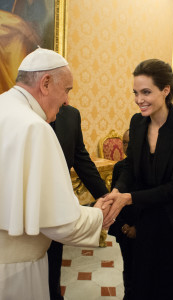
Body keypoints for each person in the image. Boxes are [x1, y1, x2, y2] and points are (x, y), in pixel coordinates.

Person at [0, 48, 113, 300]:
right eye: (67, 90)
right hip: (15, 271)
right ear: (46, 83)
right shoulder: (34, 127)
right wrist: (100, 216)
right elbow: (61, 223)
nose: (67, 101)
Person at [103, 59, 173, 300]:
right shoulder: (137, 123)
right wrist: (117, 190)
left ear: (165, 90)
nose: (139, 100)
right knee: (141, 286)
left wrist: (129, 198)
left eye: (146, 92)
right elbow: (129, 169)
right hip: (146, 223)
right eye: (135, 93)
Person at [48, 105, 109, 300]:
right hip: (24, 215)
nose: (67, 98)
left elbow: (81, 158)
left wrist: (105, 198)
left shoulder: (71, 115)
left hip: (57, 208)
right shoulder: (19, 113)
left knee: (52, 268)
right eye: (65, 90)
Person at [109, 129, 137, 300]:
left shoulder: (149, 169)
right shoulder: (119, 167)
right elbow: (114, 199)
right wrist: (121, 225)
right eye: (124, 142)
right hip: (124, 228)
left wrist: (138, 227)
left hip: (143, 227)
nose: (127, 146)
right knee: (129, 266)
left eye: (131, 142)